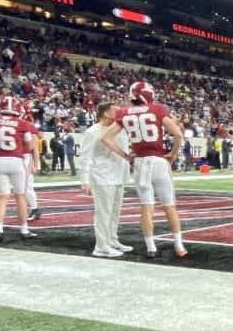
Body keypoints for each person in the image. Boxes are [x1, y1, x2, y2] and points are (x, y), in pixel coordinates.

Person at [115, 81, 188, 259]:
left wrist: (125, 155)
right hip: (158, 161)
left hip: (139, 163)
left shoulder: (123, 112)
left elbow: (105, 138)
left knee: (146, 207)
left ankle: (151, 247)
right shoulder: (157, 109)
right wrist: (172, 154)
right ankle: (179, 245)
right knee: (169, 206)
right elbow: (178, 133)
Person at [77, 101, 134, 257]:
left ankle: (112, 240)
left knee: (115, 211)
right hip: (102, 175)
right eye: (115, 110)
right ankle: (100, 246)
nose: (119, 111)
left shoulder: (120, 130)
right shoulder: (92, 132)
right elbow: (85, 157)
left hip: (119, 175)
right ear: (105, 113)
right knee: (103, 212)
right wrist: (85, 180)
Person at [0, 95, 37, 242]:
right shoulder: (22, 123)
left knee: (2, 196)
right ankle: (24, 229)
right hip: (15, 160)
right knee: (20, 196)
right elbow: (30, 146)